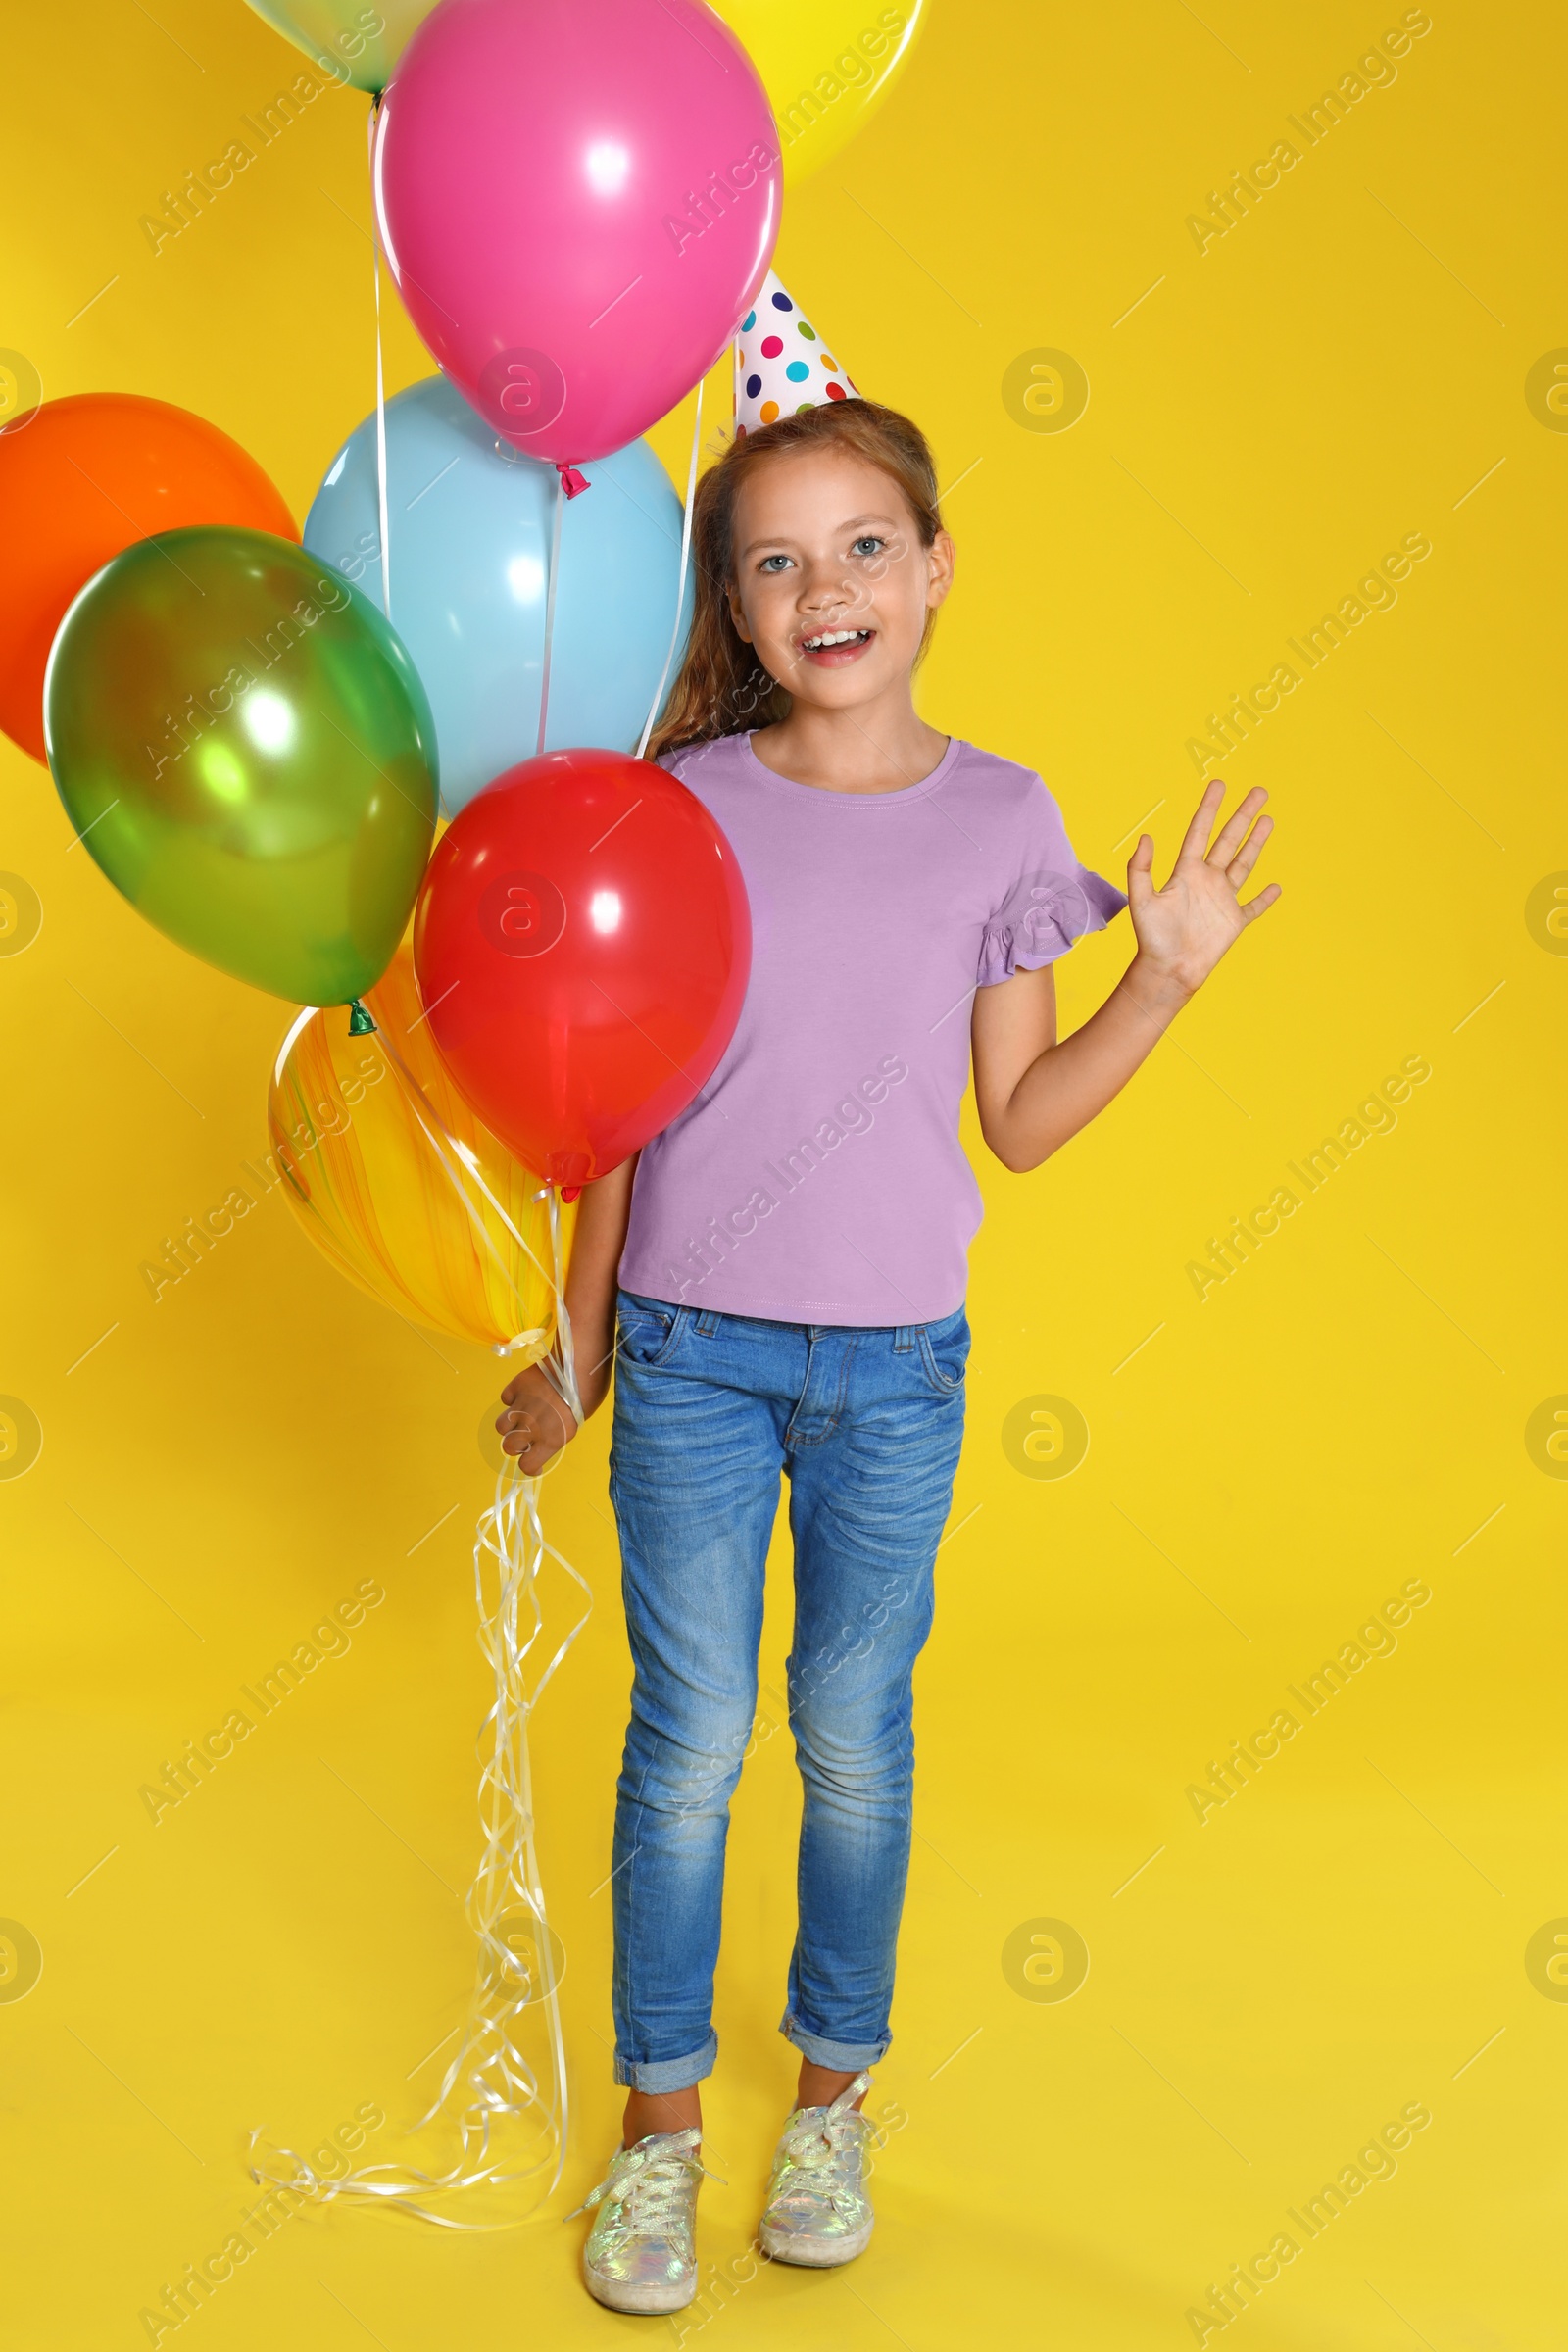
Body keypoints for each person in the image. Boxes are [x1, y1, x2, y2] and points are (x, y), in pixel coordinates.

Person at [496, 398, 1279, 2314]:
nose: (820, 587)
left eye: (860, 547)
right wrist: (576, 1354)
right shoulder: (674, 804)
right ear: (736, 612)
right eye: (772, 560)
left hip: (891, 1376)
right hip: (684, 1355)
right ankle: (660, 2138)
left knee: (850, 1740)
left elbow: (1015, 1121)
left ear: (932, 570)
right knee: (683, 1749)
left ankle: (830, 2101)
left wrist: (1156, 981)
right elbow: (612, 1122)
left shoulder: (1001, 819)